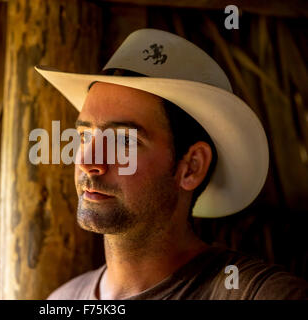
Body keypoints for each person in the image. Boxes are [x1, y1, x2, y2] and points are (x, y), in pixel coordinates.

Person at [35, 29, 308, 299]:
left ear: (191, 167)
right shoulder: (62, 300)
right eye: (84, 136)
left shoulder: (262, 295)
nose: (88, 163)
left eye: (124, 141)